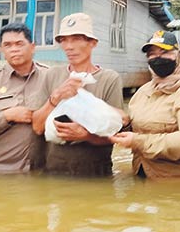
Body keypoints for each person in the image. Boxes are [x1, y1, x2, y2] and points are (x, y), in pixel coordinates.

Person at [109, 31, 180, 178]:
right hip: (143, 179)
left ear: (179, 55)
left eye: (165, 52)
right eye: (152, 54)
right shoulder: (144, 91)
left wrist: (138, 141)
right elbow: (140, 127)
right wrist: (125, 124)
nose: (158, 58)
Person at [31, 12, 125, 176]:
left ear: (92, 43)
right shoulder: (52, 75)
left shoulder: (109, 79)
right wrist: (55, 98)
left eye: (76, 39)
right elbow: (38, 128)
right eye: (64, 40)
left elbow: (117, 133)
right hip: (55, 170)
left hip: (96, 172)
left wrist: (86, 135)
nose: (69, 46)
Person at [0, 23, 48, 173]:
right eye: (7, 45)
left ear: (32, 47)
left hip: (43, 171)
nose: (14, 49)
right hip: (2, 170)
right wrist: (6, 116)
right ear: (1, 49)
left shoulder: (50, 77)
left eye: (19, 44)